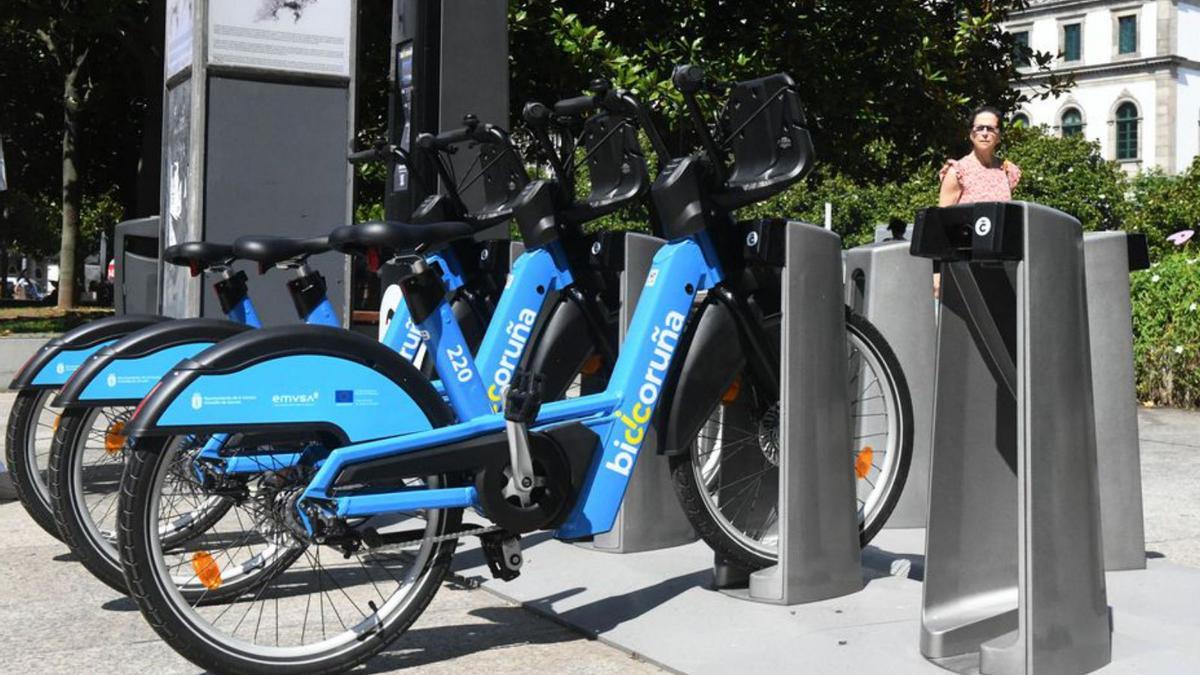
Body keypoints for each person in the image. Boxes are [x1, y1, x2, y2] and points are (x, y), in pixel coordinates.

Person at [938, 105, 1021, 206]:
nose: (985, 133)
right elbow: (944, 217)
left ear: (999, 136)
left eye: (990, 129)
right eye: (980, 128)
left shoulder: (1007, 170)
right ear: (971, 134)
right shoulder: (957, 172)